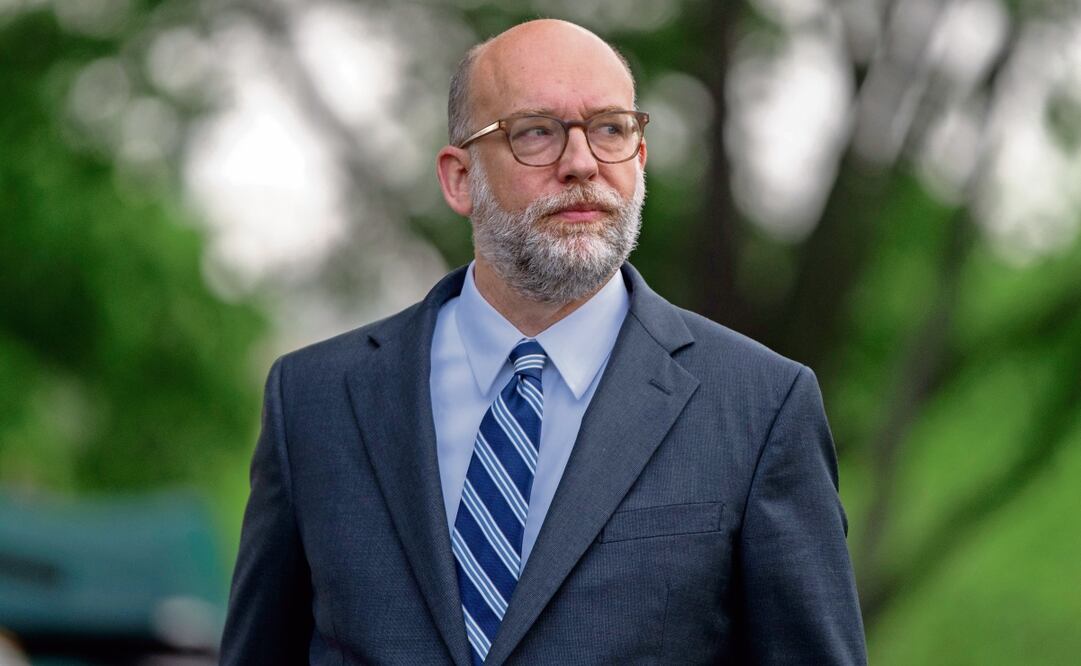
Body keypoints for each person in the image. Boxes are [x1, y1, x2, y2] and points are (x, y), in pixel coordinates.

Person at [220, 18, 867, 666]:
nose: (581, 163)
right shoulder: (315, 402)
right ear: (457, 177)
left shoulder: (759, 407)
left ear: (639, 159)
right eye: (535, 132)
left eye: (610, 129)